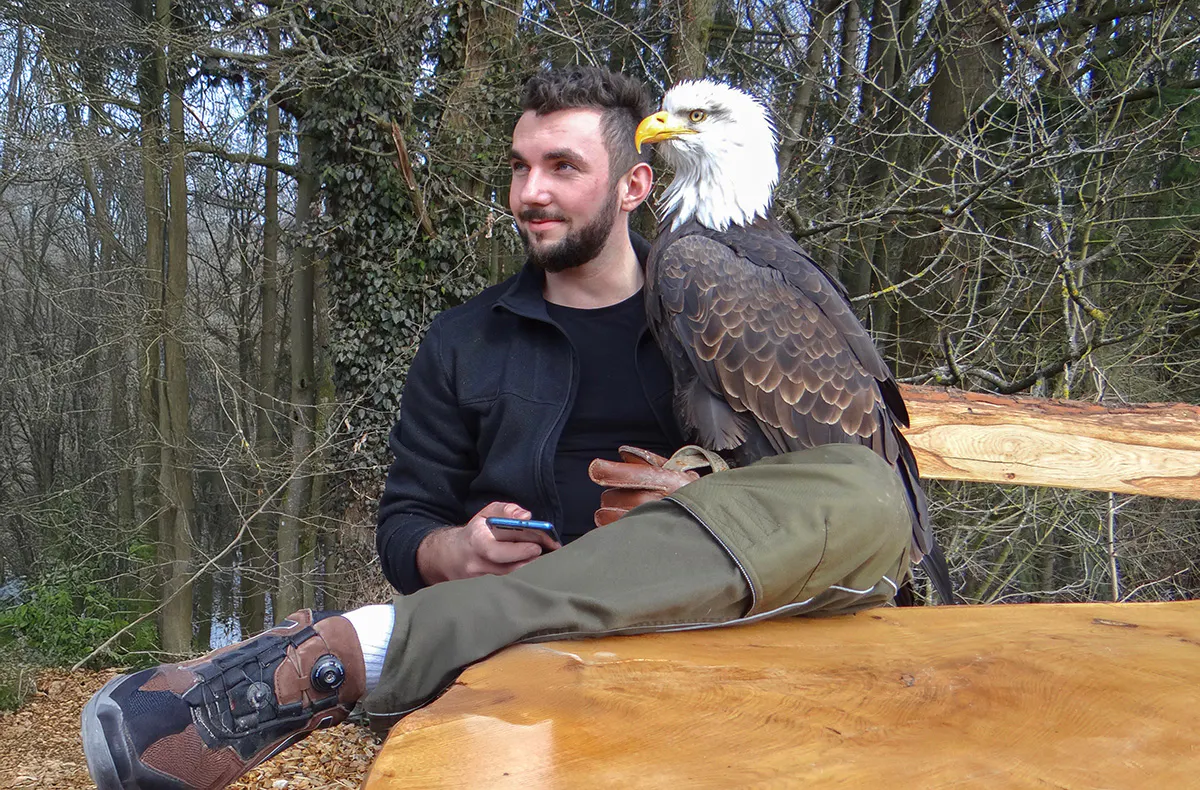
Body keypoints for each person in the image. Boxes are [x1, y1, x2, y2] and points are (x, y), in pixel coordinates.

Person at [80, 67, 913, 790]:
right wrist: (457, 550)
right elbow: (406, 525)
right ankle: (369, 650)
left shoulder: (722, 283)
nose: (529, 193)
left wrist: (705, 498)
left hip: (723, 628)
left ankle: (352, 656)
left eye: (561, 167)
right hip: (527, 667)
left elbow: (825, 500)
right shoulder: (464, 341)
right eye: (519, 168)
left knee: (872, 495)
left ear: (634, 188)